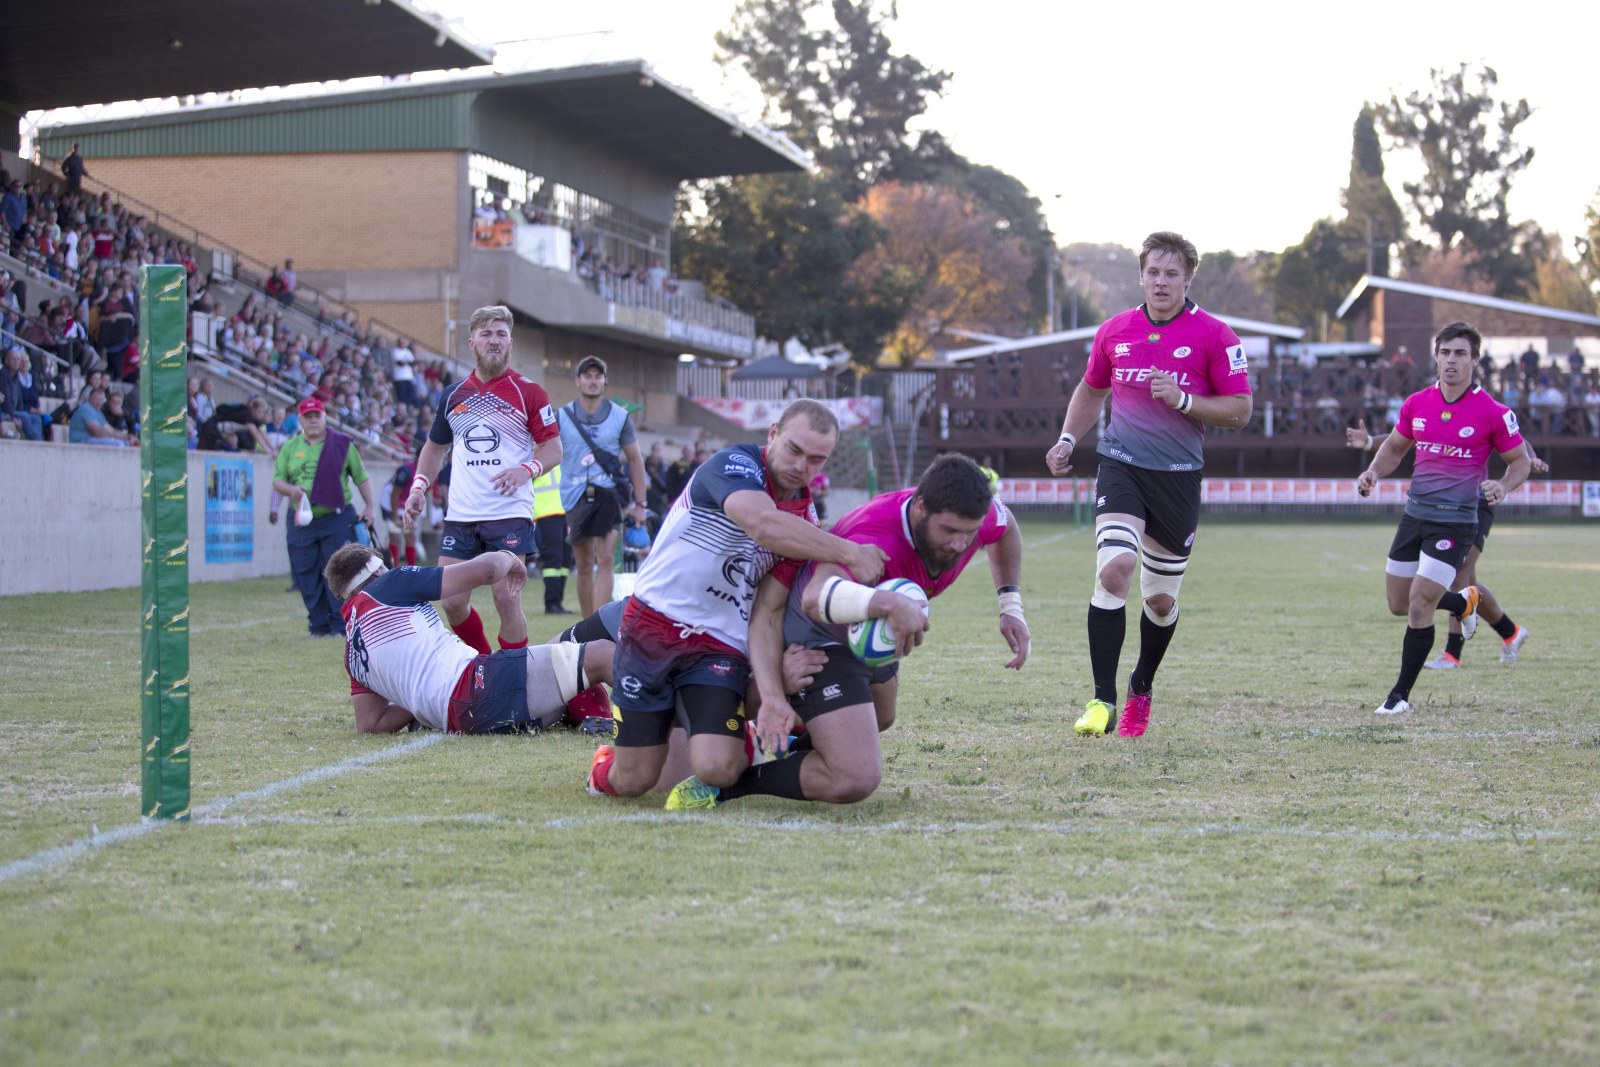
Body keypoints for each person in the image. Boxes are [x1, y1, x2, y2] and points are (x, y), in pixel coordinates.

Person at [665, 454, 1029, 810]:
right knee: (854, 777)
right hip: (818, 635)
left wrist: (1010, 606)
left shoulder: (980, 518)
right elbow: (815, 596)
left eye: (968, 533)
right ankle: (730, 784)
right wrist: (888, 604)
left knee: (882, 717)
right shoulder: (875, 532)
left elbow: (1007, 526)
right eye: (948, 531)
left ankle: (780, 753)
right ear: (920, 507)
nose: (959, 544)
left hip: (867, 630)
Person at [584, 399, 888, 801]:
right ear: (773, 433)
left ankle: (729, 736)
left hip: (717, 648)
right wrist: (848, 551)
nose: (802, 465)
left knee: (719, 768)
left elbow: (770, 611)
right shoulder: (734, 465)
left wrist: (776, 689)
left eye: (817, 459)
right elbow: (762, 523)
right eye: (795, 449)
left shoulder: (804, 524)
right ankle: (607, 763)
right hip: (649, 631)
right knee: (634, 781)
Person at [1044, 231, 1253, 738]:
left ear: (1188, 279)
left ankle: (1141, 685)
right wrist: (1069, 438)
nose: (1161, 282)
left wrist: (1184, 400)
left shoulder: (1217, 335)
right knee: (1114, 569)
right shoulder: (1115, 330)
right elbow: (1091, 389)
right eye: (1153, 272)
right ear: (1141, 275)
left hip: (1178, 480)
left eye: (1172, 273)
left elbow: (1241, 411)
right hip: (1122, 467)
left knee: (1159, 601)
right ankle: (1101, 700)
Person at [1356, 322, 1531, 715]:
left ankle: (1399, 697)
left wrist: (1503, 485)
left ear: (1475, 361)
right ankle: (1464, 603)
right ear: (1436, 357)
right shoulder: (1417, 403)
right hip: (1414, 515)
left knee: (1420, 602)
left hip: (1456, 523)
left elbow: (1519, 461)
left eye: (1460, 354)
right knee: (1398, 603)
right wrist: (1373, 472)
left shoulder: (1493, 412)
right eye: (1446, 353)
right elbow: (1396, 447)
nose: (1452, 361)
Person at [402, 305, 562, 655]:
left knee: (506, 598)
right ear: (471, 341)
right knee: (453, 603)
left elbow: (552, 448)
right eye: (487, 334)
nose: (494, 340)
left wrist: (526, 470)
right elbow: (434, 448)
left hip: (508, 512)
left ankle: (515, 671)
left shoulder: (528, 391)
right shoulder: (453, 395)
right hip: (460, 514)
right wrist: (418, 488)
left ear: (510, 342)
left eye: (501, 334)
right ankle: (486, 665)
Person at [322, 542, 612, 734]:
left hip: (461, 720)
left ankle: (593, 718)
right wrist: (509, 557)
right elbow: (486, 570)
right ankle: (647, 721)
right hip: (476, 688)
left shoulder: (350, 654)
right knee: (598, 651)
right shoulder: (389, 584)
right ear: (377, 571)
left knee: (566, 669)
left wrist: (417, 700)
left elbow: (370, 723)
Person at [1347, 420, 1544, 670]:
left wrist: (1532, 458)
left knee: (1458, 577)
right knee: (1466, 582)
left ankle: (1452, 654)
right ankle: (1511, 632)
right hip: (1440, 507)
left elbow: (1516, 441)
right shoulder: (1432, 408)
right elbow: (1401, 438)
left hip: (1475, 502)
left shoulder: (1481, 409)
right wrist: (1367, 442)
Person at [273, 397, 378, 638]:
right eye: (307, 417)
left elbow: (361, 476)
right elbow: (278, 481)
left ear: (324, 418)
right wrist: (292, 491)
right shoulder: (290, 448)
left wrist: (370, 506)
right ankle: (317, 625)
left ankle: (339, 625)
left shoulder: (341, 444)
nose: (312, 421)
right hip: (302, 519)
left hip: (336, 518)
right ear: (299, 419)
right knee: (305, 572)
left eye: (316, 416)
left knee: (339, 571)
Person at [557, 356, 648, 616]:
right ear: (577, 381)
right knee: (584, 564)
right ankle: (586, 626)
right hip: (574, 496)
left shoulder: (620, 417)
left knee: (606, 560)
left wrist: (641, 504)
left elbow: (635, 459)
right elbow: (546, 449)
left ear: (605, 381)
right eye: (587, 376)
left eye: (598, 376)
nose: (593, 381)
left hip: (607, 494)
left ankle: (598, 624)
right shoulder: (561, 415)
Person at [531, 462, 574, 614]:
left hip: (565, 511)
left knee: (565, 559)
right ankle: (551, 603)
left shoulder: (560, 458)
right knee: (553, 557)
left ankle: (558, 602)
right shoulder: (539, 458)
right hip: (546, 513)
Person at [0, 346, 43, 441]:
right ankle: (36, 441)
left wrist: (20, 411)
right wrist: (13, 417)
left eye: (18, 359)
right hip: (6, 412)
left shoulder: (16, 375)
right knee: (25, 416)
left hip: (15, 411)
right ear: (7, 361)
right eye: (13, 359)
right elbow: (6, 399)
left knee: (37, 419)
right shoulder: (3, 373)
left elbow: (19, 398)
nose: (16, 362)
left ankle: (38, 441)